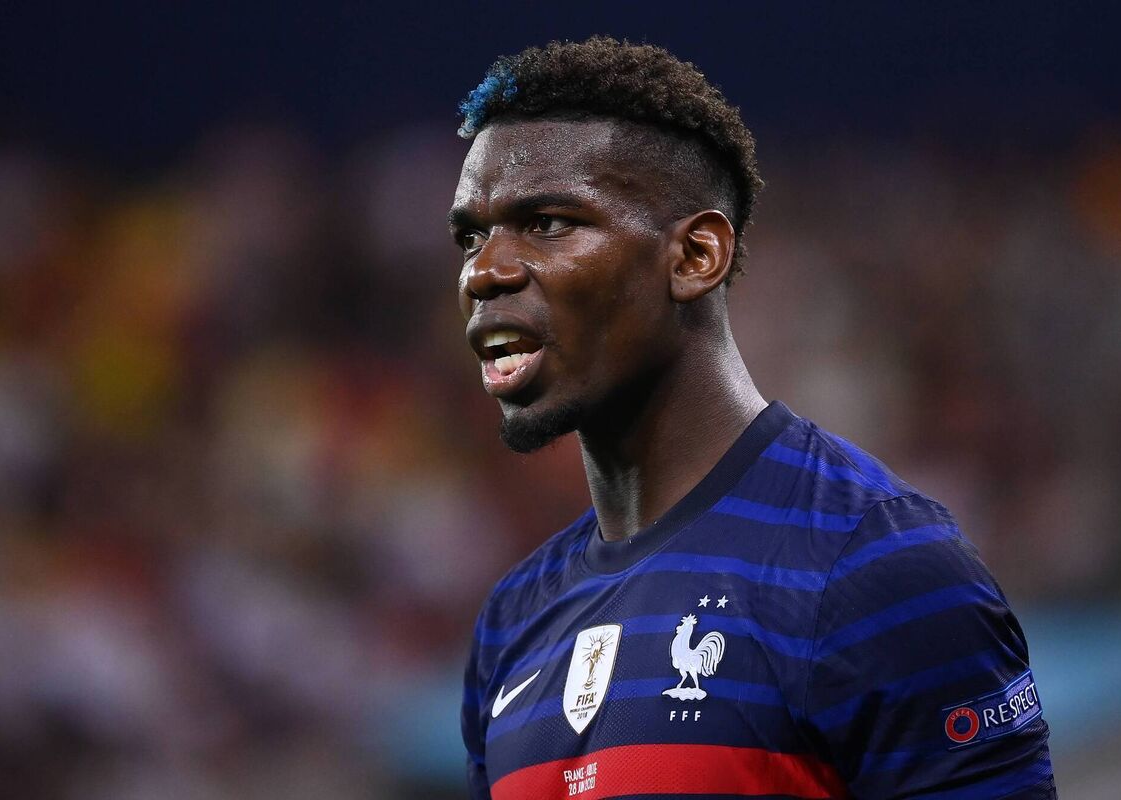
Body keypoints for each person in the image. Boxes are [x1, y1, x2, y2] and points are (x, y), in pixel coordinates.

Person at [449, 37, 1055, 799]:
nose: (484, 271)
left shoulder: (877, 572)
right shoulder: (511, 623)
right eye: (470, 235)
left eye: (547, 223)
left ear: (696, 255)